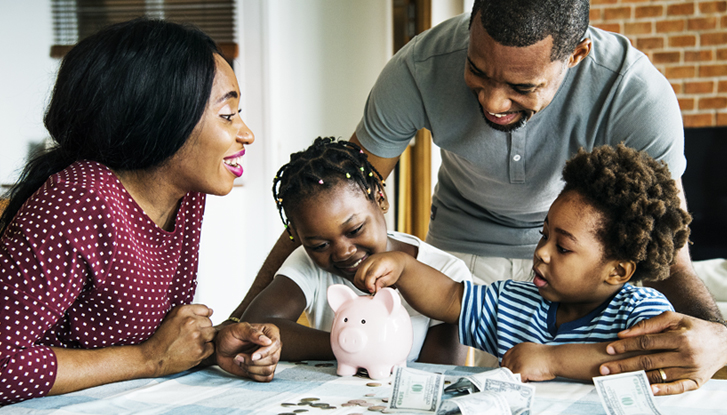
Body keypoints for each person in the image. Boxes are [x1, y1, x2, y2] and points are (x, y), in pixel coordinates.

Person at [223, 0, 727, 394]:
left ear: (575, 56)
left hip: (583, 264)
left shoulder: (634, 93)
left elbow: (671, 260)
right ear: (470, 30)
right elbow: (329, 196)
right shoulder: (418, 68)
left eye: (521, 85)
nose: (491, 101)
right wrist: (238, 321)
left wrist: (719, 342)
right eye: (479, 72)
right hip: (458, 260)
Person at [0, 19, 281, 406]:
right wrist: (149, 359)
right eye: (227, 114)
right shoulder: (79, 200)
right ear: (163, 117)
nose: (246, 133)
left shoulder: (184, 198)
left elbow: (160, 340)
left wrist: (214, 343)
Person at [354, 144, 688, 384]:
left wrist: (551, 360)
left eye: (563, 248)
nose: (542, 252)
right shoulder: (515, 303)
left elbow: (645, 362)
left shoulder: (641, 312)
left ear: (617, 271)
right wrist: (404, 268)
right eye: (544, 236)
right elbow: (450, 298)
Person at [238, 137, 472, 365]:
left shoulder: (447, 272)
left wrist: (357, 345)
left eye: (355, 229)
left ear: (380, 197)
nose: (343, 252)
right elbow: (254, 326)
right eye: (320, 245)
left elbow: (439, 371)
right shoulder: (307, 261)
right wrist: (347, 344)